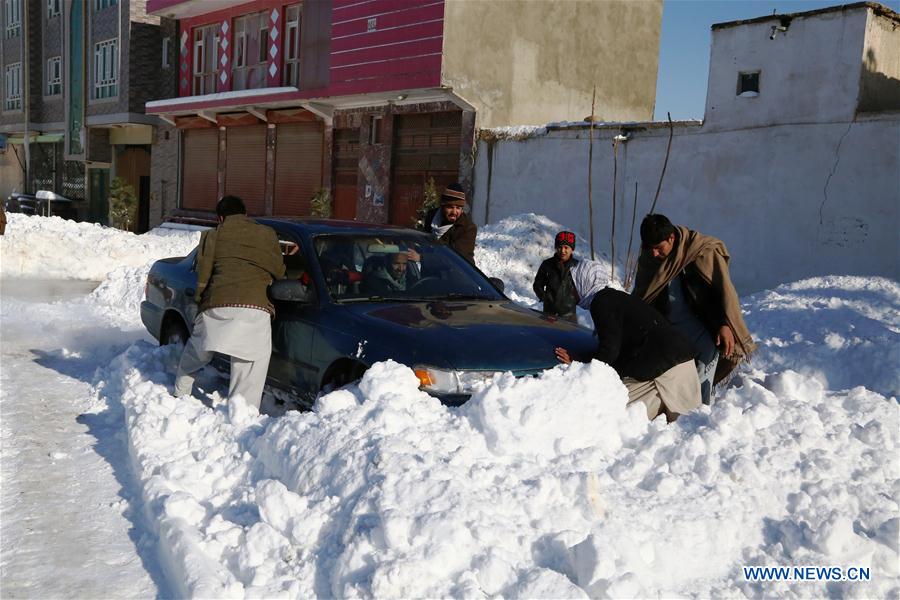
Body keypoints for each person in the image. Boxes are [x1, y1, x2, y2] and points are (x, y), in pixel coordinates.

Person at [173, 195, 286, 409]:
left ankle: (180, 395)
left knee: (197, 352)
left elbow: (204, 274)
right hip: (255, 308)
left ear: (220, 218)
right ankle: (242, 414)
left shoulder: (212, 236)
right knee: (250, 363)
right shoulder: (267, 234)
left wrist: (200, 302)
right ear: (245, 214)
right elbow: (279, 272)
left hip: (217, 305)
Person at [633, 214, 756, 404]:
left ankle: (700, 414)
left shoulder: (701, 251)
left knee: (705, 369)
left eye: (659, 248)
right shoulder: (650, 257)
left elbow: (722, 291)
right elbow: (642, 295)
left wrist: (724, 324)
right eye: (650, 249)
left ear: (671, 239)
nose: (654, 254)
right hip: (663, 326)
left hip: (700, 326)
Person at [555, 287, 700, 422]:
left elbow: (609, 352)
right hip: (683, 364)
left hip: (664, 375)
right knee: (687, 432)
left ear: (582, 281)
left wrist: (580, 361)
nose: (571, 292)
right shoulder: (616, 298)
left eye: (572, 285)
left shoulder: (602, 300)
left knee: (613, 418)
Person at [421, 183, 477, 265]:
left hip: (458, 274)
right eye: (450, 207)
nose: (454, 212)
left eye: (458, 208)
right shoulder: (431, 217)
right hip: (430, 273)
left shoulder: (468, 228)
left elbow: (454, 257)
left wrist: (423, 258)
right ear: (443, 205)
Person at [532, 231, 579, 321]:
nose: (562, 251)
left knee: (569, 335)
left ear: (572, 249)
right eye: (560, 247)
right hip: (549, 314)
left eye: (566, 247)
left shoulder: (577, 266)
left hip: (569, 315)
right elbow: (537, 284)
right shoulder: (547, 264)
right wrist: (545, 298)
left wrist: (575, 300)